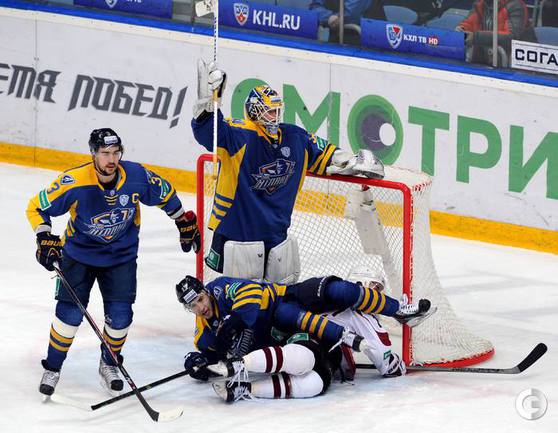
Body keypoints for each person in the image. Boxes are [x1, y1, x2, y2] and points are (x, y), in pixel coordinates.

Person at [26, 128, 201, 397]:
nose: (111, 159)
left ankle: (109, 364)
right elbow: (36, 206)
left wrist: (182, 221)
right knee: (69, 315)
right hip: (78, 255)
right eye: (105, 153)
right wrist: (44, 236)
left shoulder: (137, 177)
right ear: (93, 154)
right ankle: (53, 367)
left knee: (121, 317)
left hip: (121, 257)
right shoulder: (75, 181)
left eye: (116, 153)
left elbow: (166, 194)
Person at [191, 61, 385, 284]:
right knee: (239, 295)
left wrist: (353, 162)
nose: (274, 117)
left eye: (276, 111)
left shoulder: (295, 137)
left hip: (275, 234)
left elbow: (326, 154)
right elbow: (208, 133)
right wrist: (207, 106)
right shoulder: (240, 135)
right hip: (238, 234)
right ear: (254, 113)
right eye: (268, 112)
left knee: (280, 294)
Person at [175, 273, 433, 400]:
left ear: (206, 291)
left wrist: (233, 322)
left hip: (287, 299)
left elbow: (252, 296)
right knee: (314, 373)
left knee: (339, 291)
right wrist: (197, 363)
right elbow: (211, 357)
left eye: (200, 299)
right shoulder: (204, 331)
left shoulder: (221, 289)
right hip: (285, 331)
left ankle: (397, 310)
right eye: (193, 306)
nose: (200, 308)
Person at [455, 0, 536, 65]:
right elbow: (469, 22)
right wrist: (461, 30)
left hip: (517, 64)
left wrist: (477, 37)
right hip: (488, 58)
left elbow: (511, 37)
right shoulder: (480, 3)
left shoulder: (516, 5)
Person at [310, 0, 387, 45]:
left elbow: (350, 14)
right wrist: (328, 17)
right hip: (337, 39)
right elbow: (314, 7)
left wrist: (334, 18)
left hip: (370, 43)